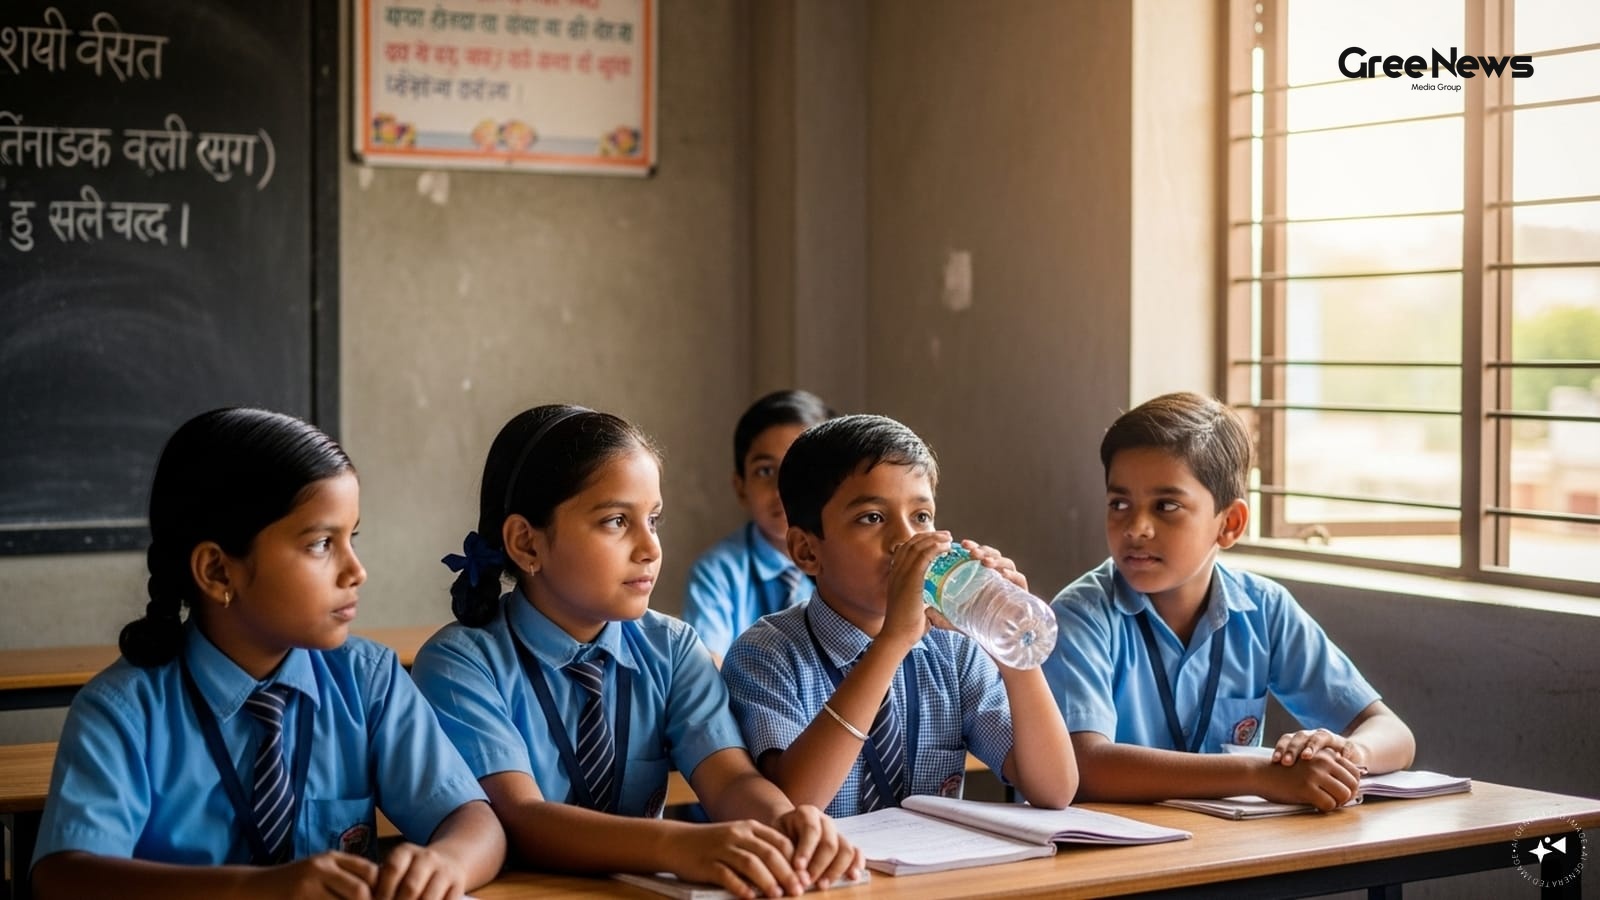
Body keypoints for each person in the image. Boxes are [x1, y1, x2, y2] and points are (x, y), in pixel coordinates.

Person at [31, 408, 505, 900]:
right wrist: (257, 890)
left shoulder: (368, 682)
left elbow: (474, 821)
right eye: (321, 543)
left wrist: (442, 864)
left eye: (352, 537)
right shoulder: (124, 712)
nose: (356, 571)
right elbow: (66, 876)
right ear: (217, 571)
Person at [410, 405, 862, 899]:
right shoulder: (459, 665)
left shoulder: (672, 648)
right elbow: (520, 818)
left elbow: (730, 781)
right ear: (526, 543)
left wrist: (787, 824)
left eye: (654, 519)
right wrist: (679, 845)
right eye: (615, 521)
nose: (650, 547)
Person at [1044, 391, 1416, 811]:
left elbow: (1392, 732)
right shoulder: (1080, 616)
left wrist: (1347, 753)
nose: (1137, 527)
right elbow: (1084, 766)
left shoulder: (1263, 609)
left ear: (1230, 524)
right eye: (1119, 504)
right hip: (1107, 861)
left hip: (1224, 850)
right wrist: (1258, 775)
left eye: (1166, 505)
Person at [721, 414, 1077, 818]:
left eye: (921, 517)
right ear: (807, 551)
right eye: (872, 518)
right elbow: (793, 804)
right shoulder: (765, 654)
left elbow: (1055, 788)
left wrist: (1011, 644)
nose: (905, 540)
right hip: (822, 877)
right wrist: (893, 642)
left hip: (930, 878)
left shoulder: (955, 652)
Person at [682, 389, 834, 663]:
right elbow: (707, 676)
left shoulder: (851, 560)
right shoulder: (718, 573)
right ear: (741, 488)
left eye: (802, 470)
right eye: (765, 471)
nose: (783, 488)